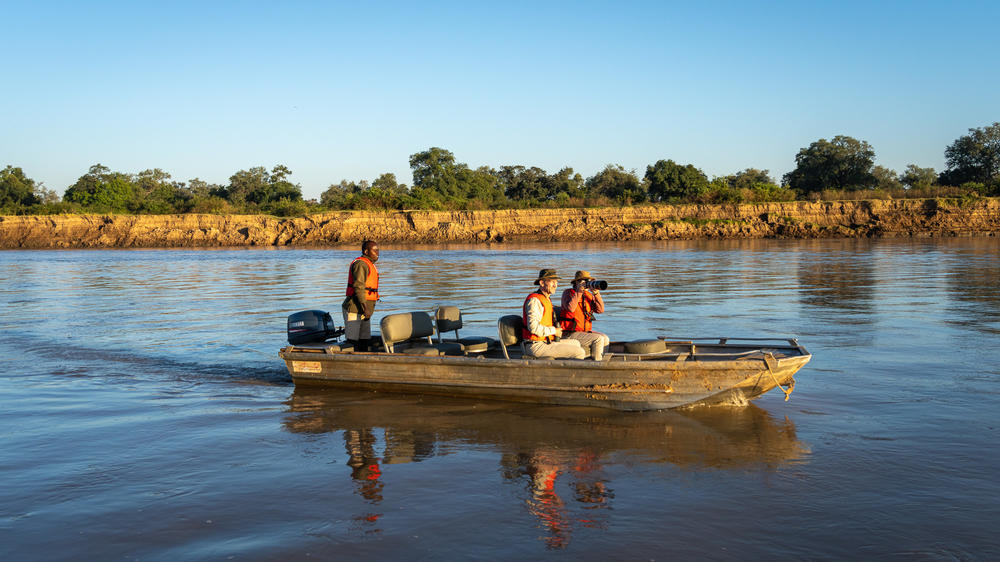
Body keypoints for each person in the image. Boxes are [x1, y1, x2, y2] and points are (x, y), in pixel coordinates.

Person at [522, 269, 587, 360]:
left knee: (576, 343)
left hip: (546, 341)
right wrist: (554, 331)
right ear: (541, 283)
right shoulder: (535, 301)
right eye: (552, 282)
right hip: (535, 346)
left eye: (556, 282)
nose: (555, 285)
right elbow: (533, 328)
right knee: (579, 352)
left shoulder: (546, 298)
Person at [559, 270, 610, 361]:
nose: (586, 283)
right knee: (598, 339)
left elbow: (600, 310)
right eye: (584, 281)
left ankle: (602, 362)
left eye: (588, 281)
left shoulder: (588, 295)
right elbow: (571, 308)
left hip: (584, 332)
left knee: (605, 338)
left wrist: (596, 293)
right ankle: (596, 366)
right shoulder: (567, 293)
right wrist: (579, 292)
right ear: (576, 282)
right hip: (569, 333)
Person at [342, 240, 380, 352]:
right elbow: (359, 287)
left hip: (364, 310)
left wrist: (366, 310)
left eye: (378, 250)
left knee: (364, 339)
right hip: (355, 308)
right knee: (352, 341)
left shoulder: (369, 264)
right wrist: (366, 308)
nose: (378, 252)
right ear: (366, 251)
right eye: (375, 250)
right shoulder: (360, 264)